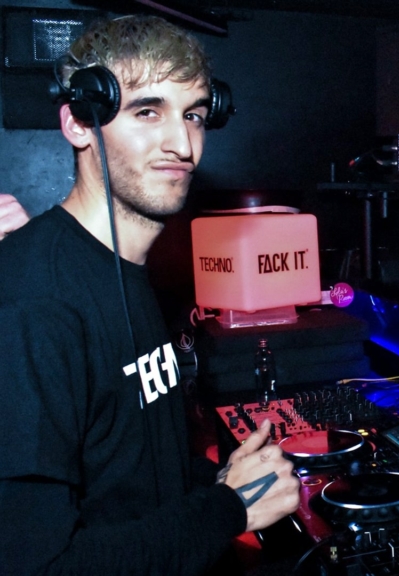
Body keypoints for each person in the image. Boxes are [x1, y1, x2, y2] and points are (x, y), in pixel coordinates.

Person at [0, 16, 299, 574]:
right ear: (79, 124)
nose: (182, 144)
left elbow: (124, 472)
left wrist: (217, 478)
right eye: (147, 111)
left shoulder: (132, 271)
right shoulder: (31, 306)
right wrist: (228, 507)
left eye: (193, 115)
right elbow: (36, 566)